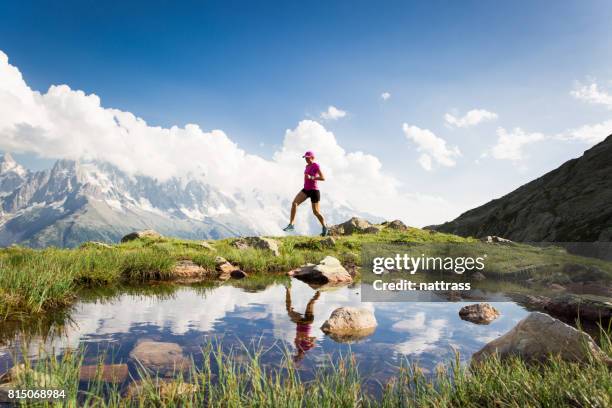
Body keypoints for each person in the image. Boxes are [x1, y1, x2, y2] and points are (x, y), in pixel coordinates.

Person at [282, 151, 328, 236]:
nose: (306, 159)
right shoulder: (306, 166)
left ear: (312, 157)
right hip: (306, 189)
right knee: (294, 203)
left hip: (314, 191)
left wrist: (311, 177)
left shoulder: (316, 165)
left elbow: (323, 178)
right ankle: (291, 225)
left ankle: (324, 227)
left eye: (308, 157)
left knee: (316, 212)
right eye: (305, 158)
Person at [285, 285, 321, 363]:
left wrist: (301, 339)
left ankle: (288, 289)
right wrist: (309, 339)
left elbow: (297, 338)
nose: (298, 354)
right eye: (299, 356)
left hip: (299, 322)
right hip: (307, 322)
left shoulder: (297, 346)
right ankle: (319, 290)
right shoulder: (307, 347)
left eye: (297, 355)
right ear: (302, 355)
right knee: (310, 304)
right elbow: (314, 338)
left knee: (289, 309)